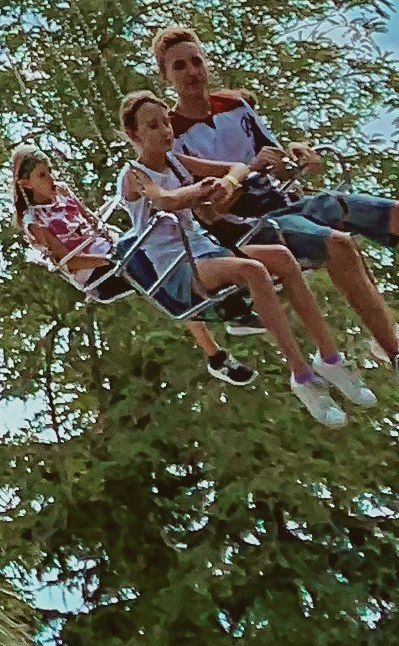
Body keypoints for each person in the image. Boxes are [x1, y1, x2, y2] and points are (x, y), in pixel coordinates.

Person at [150, 22, 399, 372]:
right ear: (165, 75)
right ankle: (393, 349)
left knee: (390, 213)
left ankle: (384, 330)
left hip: (285, 202)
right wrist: (248, 169)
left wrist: (297, 157)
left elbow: (276, 158)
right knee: (338, 244)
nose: (192, 72)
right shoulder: (171, 135)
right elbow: (209, 210)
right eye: (179, 66)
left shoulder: (234, 106)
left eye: (196, 62)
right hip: (250, 227)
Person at [117, 92, 367, 432]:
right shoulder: (134, 174)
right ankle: (302, 376)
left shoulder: (178, 162)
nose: (164, 131)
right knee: (253, 270)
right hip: (179, 265)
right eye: (152, 126)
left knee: (280, 257)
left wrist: (228, 182)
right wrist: (199, 192)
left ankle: (329, 357)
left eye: (165, 123)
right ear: (134, 135)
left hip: (206, 249)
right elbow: (164, 201)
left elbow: (237, 168)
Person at [10, 147, 252, 388]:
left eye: (50, 171)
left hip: (111, 249)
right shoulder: (35, 223)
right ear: (27, 184)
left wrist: (113, 242)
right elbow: (69, 262)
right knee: (146, 267)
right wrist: (108, 259)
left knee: (158, 242)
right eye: (42, 175)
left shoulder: (62, 191)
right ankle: (213, 317)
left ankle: (218, 322)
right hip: (94, 272)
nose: (50, 178)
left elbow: (90, 221)